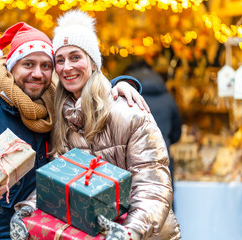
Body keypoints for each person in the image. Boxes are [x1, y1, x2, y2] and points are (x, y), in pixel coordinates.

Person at [0, 21, 147, 240]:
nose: (38, 73)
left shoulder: (51, 105)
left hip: (42, 231)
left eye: (46, 66)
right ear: (11, 65)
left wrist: (118, 86)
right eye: (28, 64)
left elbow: (86, 91)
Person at [11, 10, 181, 240]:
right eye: (59, 60)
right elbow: (60, 180)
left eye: (75, 57)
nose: (66, 67)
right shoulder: (60, 117)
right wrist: (29, 209)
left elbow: (153, 187)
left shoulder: (129, 112)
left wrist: (128, 232)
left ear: (92, 62)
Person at [122, 59, 182, 209]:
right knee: (164, 205)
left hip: (130, 162)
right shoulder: (167, 97)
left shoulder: (124, 97)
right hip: (162, 160)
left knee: (134, 209)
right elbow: (177, 133)